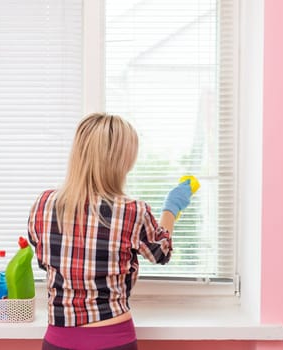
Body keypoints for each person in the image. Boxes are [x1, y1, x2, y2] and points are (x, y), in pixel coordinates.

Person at [28, 113, 193, 350]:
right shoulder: (132, 211)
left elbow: (47, 262)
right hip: (114, 339)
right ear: (121, 161)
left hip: (58, 341)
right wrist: (171, 208)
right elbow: (161, 253)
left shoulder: (43, 204)